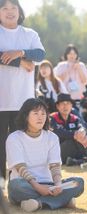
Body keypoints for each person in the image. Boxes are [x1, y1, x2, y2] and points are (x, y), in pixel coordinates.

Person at [6, 98, 84, 212]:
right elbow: (20, 168)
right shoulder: (14, 138)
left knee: (78, 182)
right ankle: (63, 200)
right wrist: (38, 187)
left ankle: (39, 203)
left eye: (43, 113)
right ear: (26, 116)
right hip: (27, 184)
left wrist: (58, 185)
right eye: (36, 113)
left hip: (50, 184)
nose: (40, 117)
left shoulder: (52, 137)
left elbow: (55, 166)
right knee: (15, 186)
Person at [0, 0, 45, 179]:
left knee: (20, 145)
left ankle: (18, 183)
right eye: (4, 8)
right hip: (1, 100)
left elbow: (40, 55)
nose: (9, 11)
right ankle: (1, 184)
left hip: (23, 101)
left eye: (13, 8)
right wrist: (21, 62)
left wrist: (19, 53)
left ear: (19, 11)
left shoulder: (30, 34)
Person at [50, 93, 87, 166]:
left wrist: (82, 131)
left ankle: (76, 161)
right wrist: (74, 135)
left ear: (71, 106)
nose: (65, 106)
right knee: (73, 140)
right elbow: (57, 132)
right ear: (57, 106)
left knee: (80, 138)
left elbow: (83, 126)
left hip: (73, 150)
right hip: (57, 152)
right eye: (62, 104)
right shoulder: (52, 118)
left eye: (68, 103)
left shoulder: (74, 118)